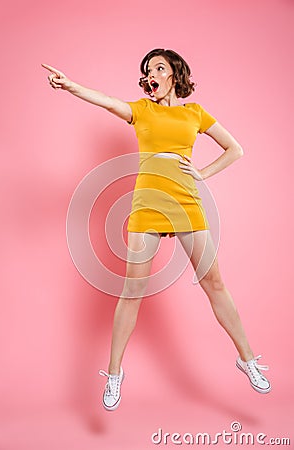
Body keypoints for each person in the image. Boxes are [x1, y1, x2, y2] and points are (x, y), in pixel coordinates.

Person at [42, 48, 271, 411]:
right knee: (132, 289)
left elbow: (235, 149)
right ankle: (114, 373)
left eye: (159, 67)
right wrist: (71, 86)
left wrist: (203, 173)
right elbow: (107, 101)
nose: (152, 73)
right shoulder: (141, 110)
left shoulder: (195, 113)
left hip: (185, 202)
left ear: (175, 75)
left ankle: (247, 359)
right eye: (147, 69)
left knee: (214, 282)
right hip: (147, 204)